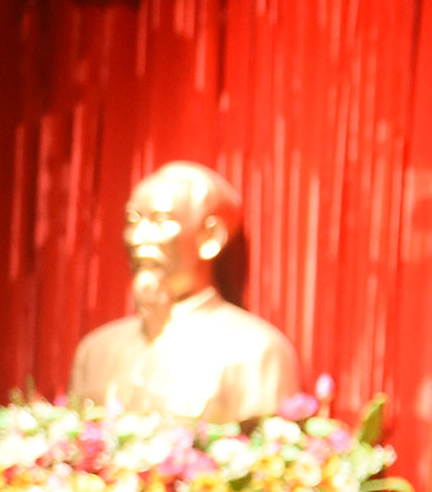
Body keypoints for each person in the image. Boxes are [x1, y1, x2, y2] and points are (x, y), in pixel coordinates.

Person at [67, 160, 299, 422]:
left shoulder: (256, 352)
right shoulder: (94, 352)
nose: (138, 238)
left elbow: (267, 443)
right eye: (133, 221)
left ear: (209, 237)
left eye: (160, 220)